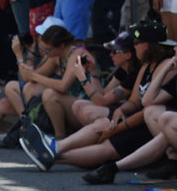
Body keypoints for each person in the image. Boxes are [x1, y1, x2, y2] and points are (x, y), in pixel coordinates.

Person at [19, 19, 176, 177]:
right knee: (100, 123)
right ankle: (54, 148)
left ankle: (53, 152)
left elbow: (145, 107)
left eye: (136, 42)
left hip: (146, 124)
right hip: (138, 120)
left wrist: (83, 79)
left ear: (146, 45)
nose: (111, 54)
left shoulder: (166, 67)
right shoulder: (145, 66)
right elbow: (132, 102)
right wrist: (94, 75)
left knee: (106, 141)